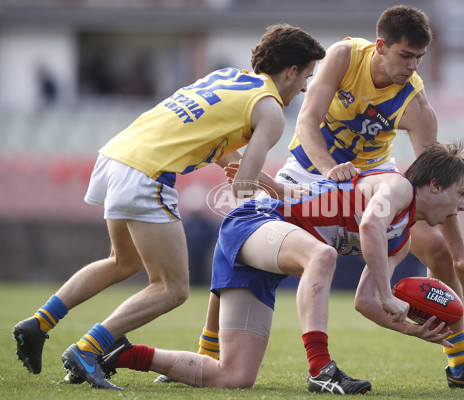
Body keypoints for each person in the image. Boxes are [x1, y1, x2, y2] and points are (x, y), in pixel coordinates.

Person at [12, 24, 325, 390]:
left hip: (115, 157)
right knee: (172, 288)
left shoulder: (228, 77)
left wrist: (252, 175)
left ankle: (39, 323)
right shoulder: (270, 111)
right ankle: (87, 349)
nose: (305, 87)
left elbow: (216, 144)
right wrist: (276, 190)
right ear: (291, 71)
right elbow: (242, 189)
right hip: (147, 174)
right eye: (306, 76)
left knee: (122, 262)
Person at [99, 140, 464, 394]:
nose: (462, 207)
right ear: (433, 185)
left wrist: (412, 328)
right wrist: (389, 295)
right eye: (459, 194)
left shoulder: (401, 239)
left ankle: (119, 353)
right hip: (255, 222)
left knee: (234, 377)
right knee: (323, 255)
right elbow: (368, 225)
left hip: (268, 251)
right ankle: (321, 369)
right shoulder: (397, 186)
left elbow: (366, 302)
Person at [264, 5, 464, 390]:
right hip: (308, 168)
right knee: (251, 234)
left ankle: (460, 365)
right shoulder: (343, 57)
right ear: (381, 46)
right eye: (406, 55)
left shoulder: (416, 104)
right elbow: (306, 121)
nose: (413, 66)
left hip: (371, 180)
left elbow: (440, 184)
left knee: (438, 250)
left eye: (419, 58)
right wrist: (331, 169)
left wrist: (461, 256)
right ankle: (209, 348)